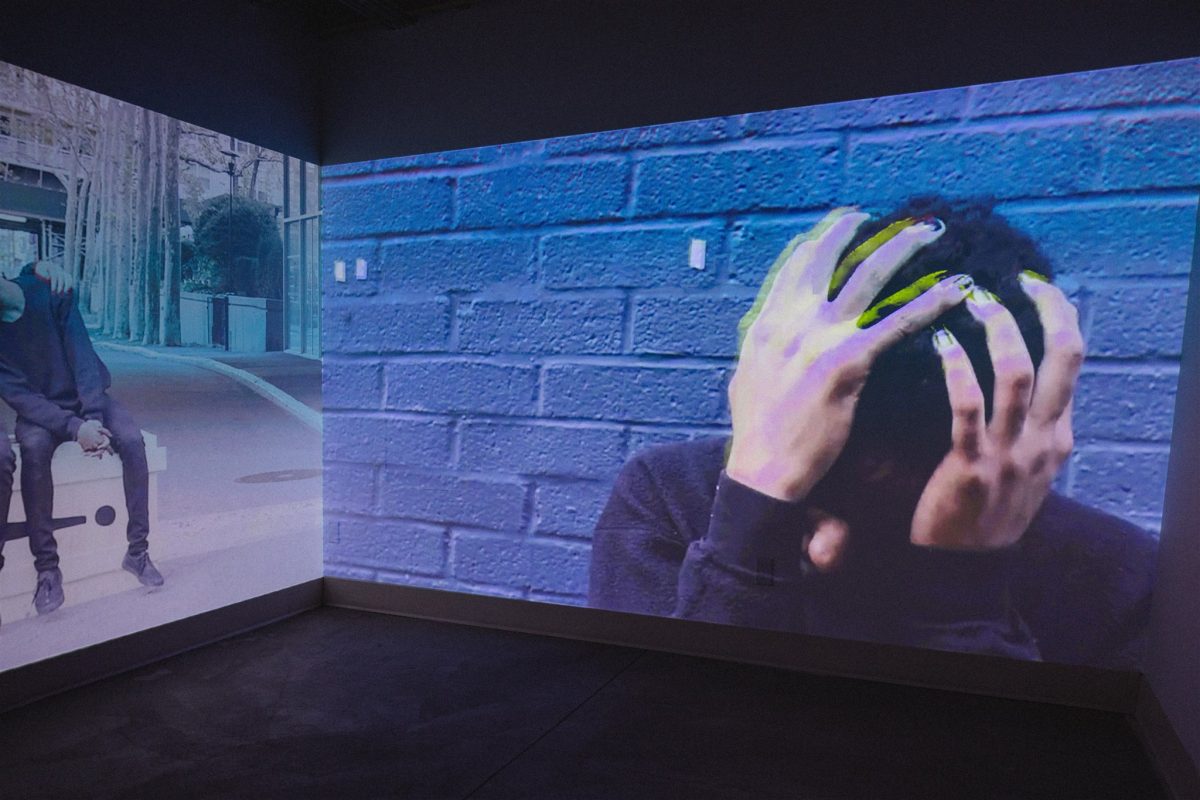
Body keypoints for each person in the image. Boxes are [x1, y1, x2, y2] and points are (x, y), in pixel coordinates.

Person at [588, 197, 1156, 669]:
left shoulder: (1117, 584)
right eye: (810, 501)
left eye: (891, 530)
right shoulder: (668, 497)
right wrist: (750, 525)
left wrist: (960, 598)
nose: (825, 551)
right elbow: (653, 749)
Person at [0, 259, 163, 620]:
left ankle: (137, 552)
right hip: (41, 413)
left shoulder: (49, 290)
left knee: (132, 441)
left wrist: (91, 417)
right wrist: (76, 430)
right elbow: (21, 397)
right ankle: (47, 569)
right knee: (33, 449)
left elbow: (83, 358)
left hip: (86, 397)